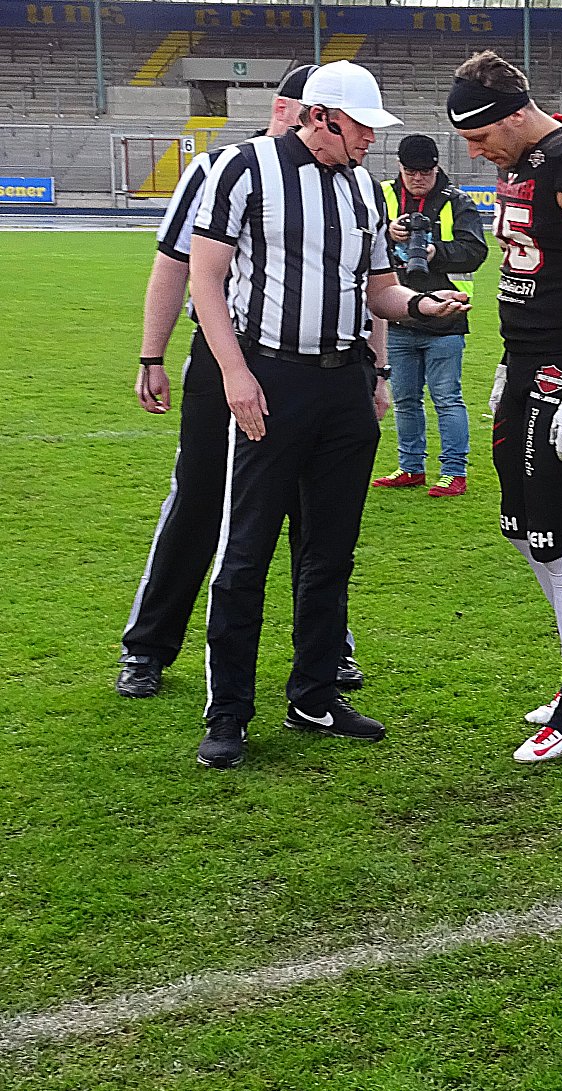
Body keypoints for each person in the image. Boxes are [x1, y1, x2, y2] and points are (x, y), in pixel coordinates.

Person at [188, 61, 470, 769]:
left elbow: (379, 289)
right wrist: (235, 374)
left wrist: (421, 306)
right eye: (360, 126)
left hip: (344, 382)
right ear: (319, 117)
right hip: (272, 375)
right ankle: (228, 711)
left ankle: (314, 694)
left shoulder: (362, 189)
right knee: (246, 552)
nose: (371, 140)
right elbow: (206, 279)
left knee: (331, 551)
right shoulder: (243, 167)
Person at [118, 65, 366, 703]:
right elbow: (176, 265)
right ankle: (149, 645)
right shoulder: (221, 168)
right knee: (202, 497)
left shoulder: (351, 181)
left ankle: (327, 652)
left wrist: (378, 367)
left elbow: (363, 281)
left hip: (316, 364)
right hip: (226, 355)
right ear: (294, 108)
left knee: (318, 512)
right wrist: (152, 354)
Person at [447, 50, 562, 763]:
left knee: (555, 534)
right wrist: (506, 363)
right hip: (524, 361)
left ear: (515, 115)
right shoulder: (524, 162)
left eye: (479, 135)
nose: (475, 151)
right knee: (520, 528)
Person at [371, 133, 488, 498]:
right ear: (400, 167)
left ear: (437, 168)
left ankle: (454, 471)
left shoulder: (458, 201)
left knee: (446, 398)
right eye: (411, 172)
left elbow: (476, 252)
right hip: (398, 318)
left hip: (446, 319)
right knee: (405, 399)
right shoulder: (383, 196)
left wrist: (435, 251)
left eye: (425, 171)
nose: (418, 178)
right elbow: (361, 242)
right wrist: (387, 234)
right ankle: (411, 467)